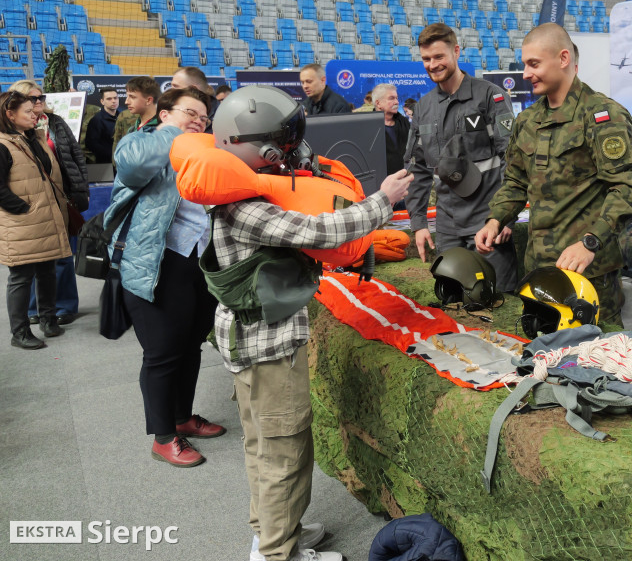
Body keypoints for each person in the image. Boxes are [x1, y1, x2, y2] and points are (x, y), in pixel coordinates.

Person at [203, 86, 412, 561]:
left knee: (262, 444)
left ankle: (274, 530)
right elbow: (318, 231)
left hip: (251, 344)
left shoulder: (236, 183)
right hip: (267, 348)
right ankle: (279, 553)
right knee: (284, 451)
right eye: (284, 140)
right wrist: (383, 201)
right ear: (261, 148)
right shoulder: (246, 206)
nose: (294, 150)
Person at [475, 23, 632, 324]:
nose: (526, 74)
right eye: (525, 64)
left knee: (595, 357)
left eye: (534, 64)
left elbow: (629, 189)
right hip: (538, 269)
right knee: (542, 353)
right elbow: (516, 181)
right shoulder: (527, 121)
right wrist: (495, 219)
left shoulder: (603, 117)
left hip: (587, 271)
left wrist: (590, 242)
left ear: (563, 59)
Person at [105, 88, 226, 467]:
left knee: (191, 345)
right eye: (190, 112)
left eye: (204, 117)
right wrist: (178, 132)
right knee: (161, 353)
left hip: (199, 260)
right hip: (155, 263)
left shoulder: (205, 150)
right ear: (164, 112)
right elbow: (133, 168)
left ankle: (182, 417)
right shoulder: (139, 142)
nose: (199, 121)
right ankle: (162, 436)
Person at [406, 23, 518, 291]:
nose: (432, 64)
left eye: (439, 56)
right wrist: (419, 223)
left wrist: (505, 218)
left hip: (488, 222)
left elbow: (513, 161)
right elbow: (417, 168)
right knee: (453, 302)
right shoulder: (423, 108)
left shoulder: (491, 96)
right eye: (426, 59)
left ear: (456, 51)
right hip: (447, 227)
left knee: (497, 302)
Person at [10, 81, 90, 327]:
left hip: (62, 196)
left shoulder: (55, 122)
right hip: (32, 200)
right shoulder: (13, 131)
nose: (37, 102)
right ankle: (36, 309)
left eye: (40, 97)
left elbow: (76, 155)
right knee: (34, 257)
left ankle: (65, 306)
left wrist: (80, 187)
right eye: (31, 99)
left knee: (64, 255)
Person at [0, 90, 71, 349]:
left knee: (47, 271)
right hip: (22, 222)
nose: (35, 114)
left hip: (45, 217)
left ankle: (48, 319)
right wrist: (23, 209)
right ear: (10, 115)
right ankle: (19, 333)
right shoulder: (3, 144)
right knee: (20, 277)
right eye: (28, 112)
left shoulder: (33, 138)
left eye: (35, 110)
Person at [113, 76, 160, 152]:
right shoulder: (132, 129)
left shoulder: (162, 130)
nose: (126, 102)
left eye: (132, 97)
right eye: (127, 96)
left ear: (148, 100)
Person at [372, 83, 409, 176]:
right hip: (380, 183)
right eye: (391, 98)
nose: (396, 102)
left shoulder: (405, 123)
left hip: (405, 180)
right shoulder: (368, 127)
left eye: (397, 98)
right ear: (378, 103)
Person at [84, 87, 120, 164]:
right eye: (109, 99)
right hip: (106, 164)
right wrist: (112, 154)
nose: (113, 101)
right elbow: (91, 144)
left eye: (115, 98)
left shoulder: (122, 117)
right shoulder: (97, 120)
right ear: (102, 101)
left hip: (124, 161)